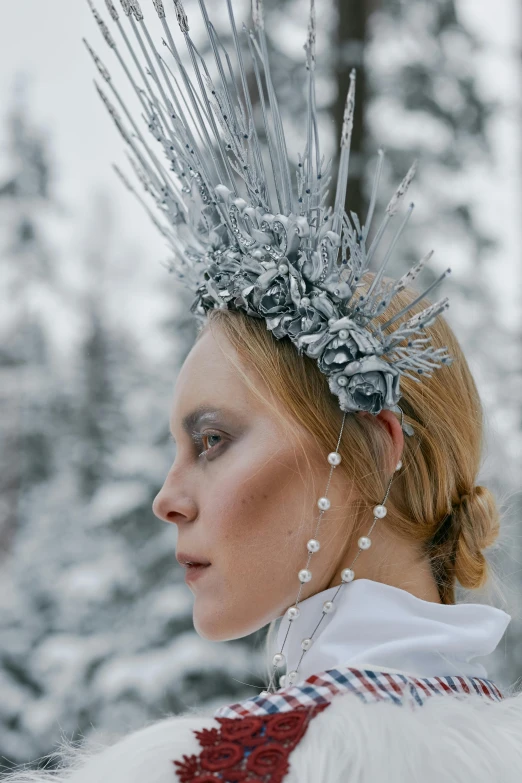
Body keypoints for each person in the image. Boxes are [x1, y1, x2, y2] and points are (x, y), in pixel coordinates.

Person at [5, 0, 522, 780]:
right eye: (178, 448)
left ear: (371, 451)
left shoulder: (220, 767)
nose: (167, 497)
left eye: (212, 440)